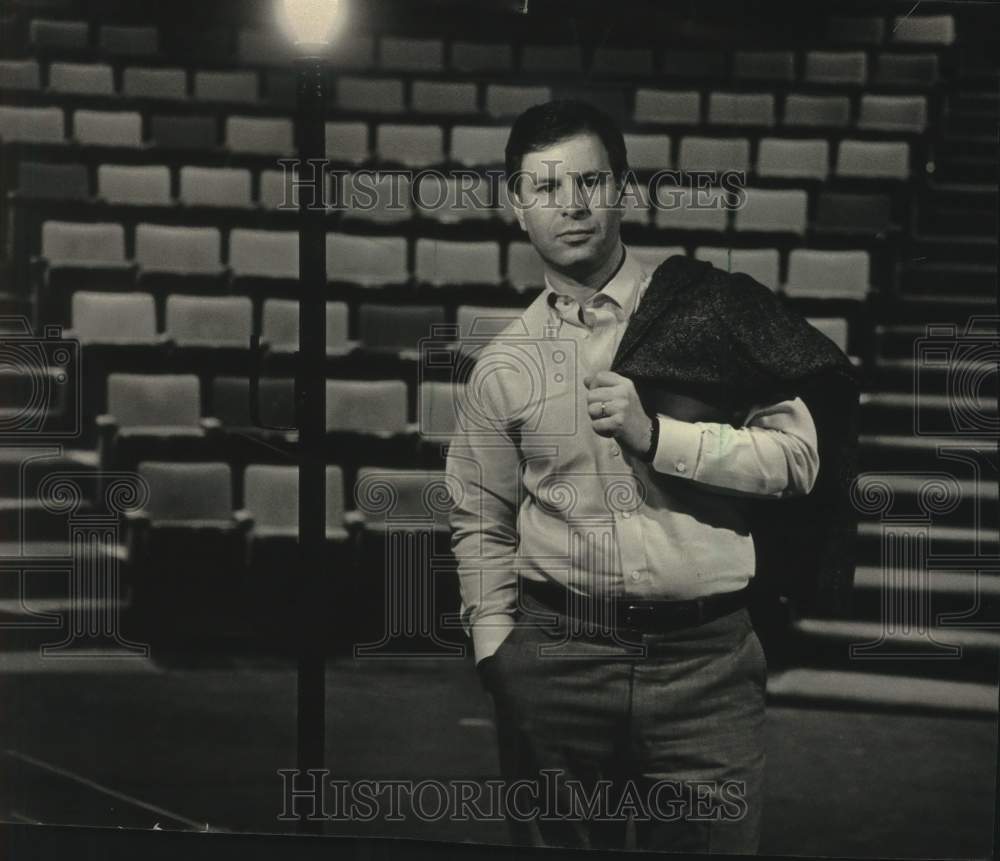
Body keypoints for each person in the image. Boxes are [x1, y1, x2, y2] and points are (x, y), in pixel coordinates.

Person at [444, 99, 858, 852]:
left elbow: (799, 459)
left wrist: (658, 436)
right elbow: (480, 517)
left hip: (706, 666)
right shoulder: (502, 364)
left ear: (623, 189)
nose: (571, 206)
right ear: (516, 206)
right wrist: (497, 649)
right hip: (557, 662)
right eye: (545, 188)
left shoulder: (711, 308)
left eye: (589, 183)